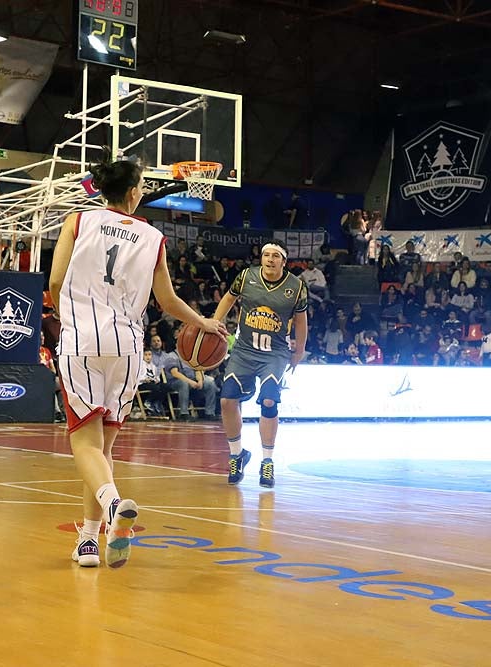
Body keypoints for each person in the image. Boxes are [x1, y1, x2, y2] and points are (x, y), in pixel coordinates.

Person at [49, 158, 226, 569]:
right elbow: (166, 301)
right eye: (143, 185)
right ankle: (89, 542)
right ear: (132, 194)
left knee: (85, 444)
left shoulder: (78, 222)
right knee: (103, 450)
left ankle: (112, 509)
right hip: (128, 348)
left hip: (83, 340)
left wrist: (69, 318)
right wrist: (203, 323)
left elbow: (56, 283)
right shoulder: (153, 237)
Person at [211, 239, 308, 489]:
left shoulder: (296, 287)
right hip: (244, 349)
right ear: (261, 258)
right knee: (226, 400)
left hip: (274, 353)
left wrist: (299, 349)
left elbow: (300, 321)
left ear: (283, 262)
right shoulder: (246, 276)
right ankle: (237, 455)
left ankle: (267, 461)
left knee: (268, 400)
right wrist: (214, 322)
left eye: (276, 255)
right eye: (267, 255)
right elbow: (229, 299)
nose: (270, 259)